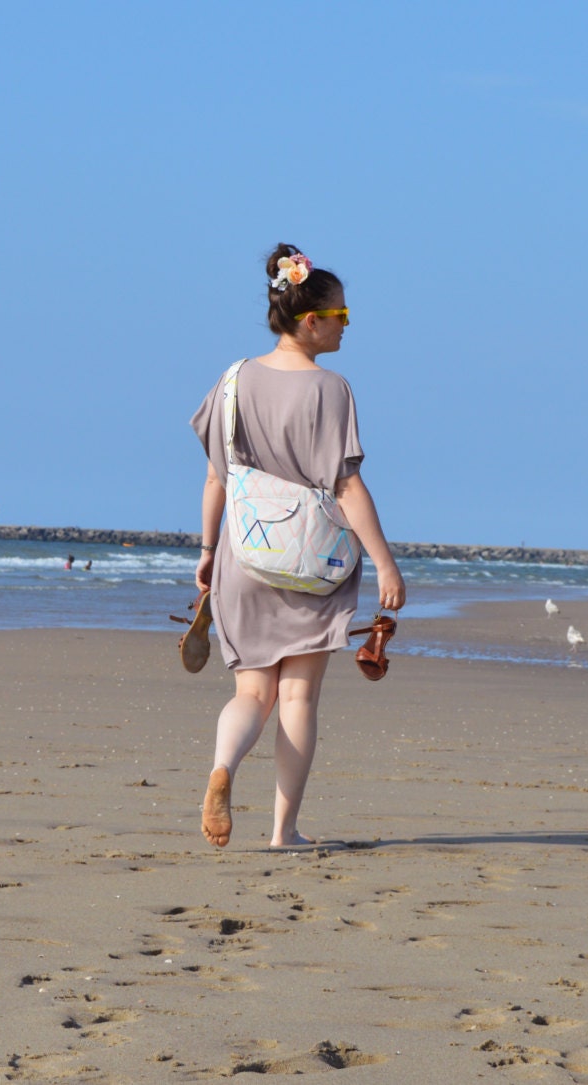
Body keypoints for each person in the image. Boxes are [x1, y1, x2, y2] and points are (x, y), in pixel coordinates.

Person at [189, 243, 406, 849]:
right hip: (314, 559)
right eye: (341, 316)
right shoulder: (330, 389)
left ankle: (223, 767)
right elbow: (346, 485)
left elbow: (215, 480)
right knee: (298, 696)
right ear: (311, 321)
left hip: (246, 555)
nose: (346, 326)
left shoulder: (233, 380)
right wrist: (386, 563)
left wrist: (208, 552)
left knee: (251, 692)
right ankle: (283, 831)